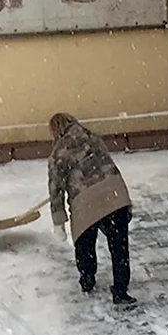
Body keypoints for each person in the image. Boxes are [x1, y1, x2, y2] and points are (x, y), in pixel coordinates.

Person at [47, 113, 137, 305]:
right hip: (114, 194)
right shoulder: (93, 139)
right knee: (119, 247)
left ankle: (87, 279)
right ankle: (121, 291)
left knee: (84, 243)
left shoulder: (58, 154)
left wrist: (58, 222)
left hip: (84, 201)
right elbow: (109, 165)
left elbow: (55, 190)